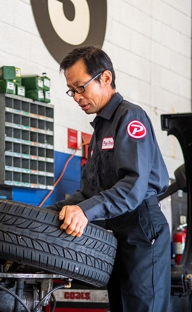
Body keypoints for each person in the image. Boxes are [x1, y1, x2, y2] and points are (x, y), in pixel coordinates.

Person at [47, 46, 170, 312]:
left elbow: (132, 187)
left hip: (141, 228)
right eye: (72, 91)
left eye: (81, 87)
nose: (77, 97)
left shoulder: (129, 117)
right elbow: (90, 192)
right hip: (115, 234)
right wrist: (39, 216)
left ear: (105, 78)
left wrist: (84, 211)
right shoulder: (101, 128)